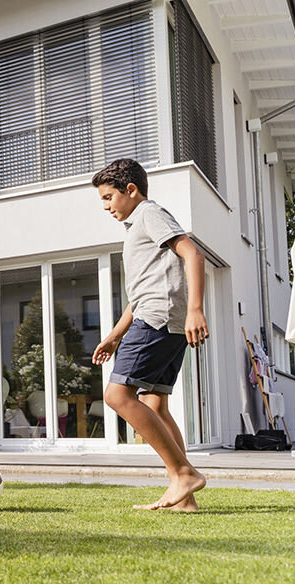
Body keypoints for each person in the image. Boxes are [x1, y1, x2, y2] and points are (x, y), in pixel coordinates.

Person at [91, 158, 208, 511]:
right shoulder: (136, 226)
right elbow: (138, 295)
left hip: (158, 320)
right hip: (160, 318)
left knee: (116, 394)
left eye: (109, 197)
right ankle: (184, 498)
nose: (107, 206)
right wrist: (114, 335)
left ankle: (182, 473)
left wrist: (195, 309)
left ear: (131, 190)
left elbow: (193, 253)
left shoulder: (147, 213)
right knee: (154, 403)